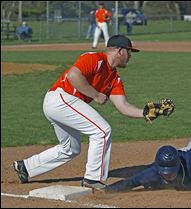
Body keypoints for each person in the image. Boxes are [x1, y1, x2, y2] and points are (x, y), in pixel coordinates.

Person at [12, 34, 174, 191]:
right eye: (129, 52)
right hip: (60, 98)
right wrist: (96, 95)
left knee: (70, 148)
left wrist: (144, 113)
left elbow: (123, 106)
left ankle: (26, 167)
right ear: (119, 51)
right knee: (102, 131)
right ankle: (93, 179)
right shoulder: (95, 59)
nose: (130, 56)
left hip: (62, 105)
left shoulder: (114, 79)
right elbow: (73, 75)